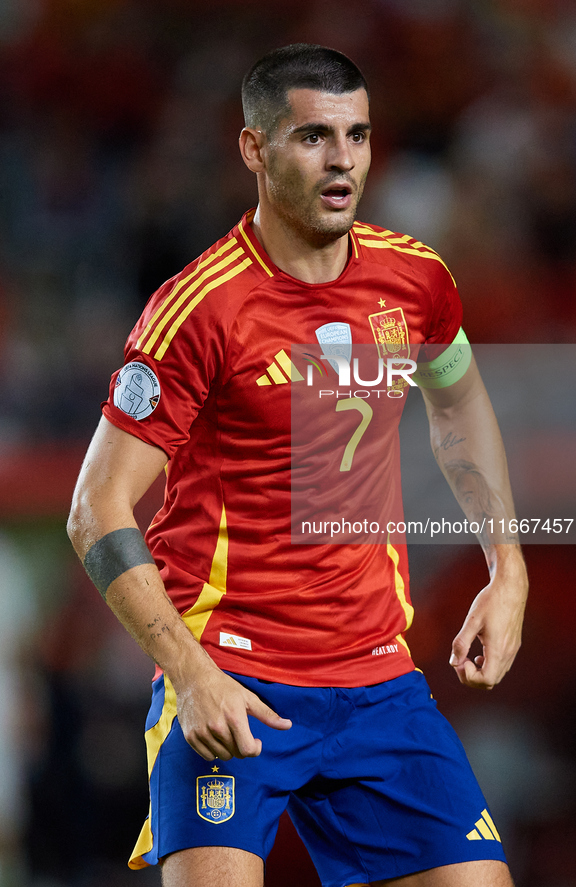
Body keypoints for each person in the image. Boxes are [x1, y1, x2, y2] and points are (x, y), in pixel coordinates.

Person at [68, 43, 528, 887]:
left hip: (377, 676)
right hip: (233, 673)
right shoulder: (199, 308)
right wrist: (191, 674)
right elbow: (95, 509)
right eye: (314, 137)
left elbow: (457, 406)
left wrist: (508, 567)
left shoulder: (414, 278)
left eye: (355, 135)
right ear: (253, 148)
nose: (342, 159)